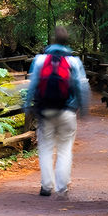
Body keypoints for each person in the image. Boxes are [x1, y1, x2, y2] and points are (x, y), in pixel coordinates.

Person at [25, 25, 90, 197]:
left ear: (53, 41)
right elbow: (81, 86)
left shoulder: (40, 60)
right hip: (67, 111)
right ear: (67, 42)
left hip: (45, 111)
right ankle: (62, 188)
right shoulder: (74, 61)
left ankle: (46, 186)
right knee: (64, 149)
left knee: (45, 148)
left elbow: (32, 85)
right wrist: (83, 109)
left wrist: (27, 105)